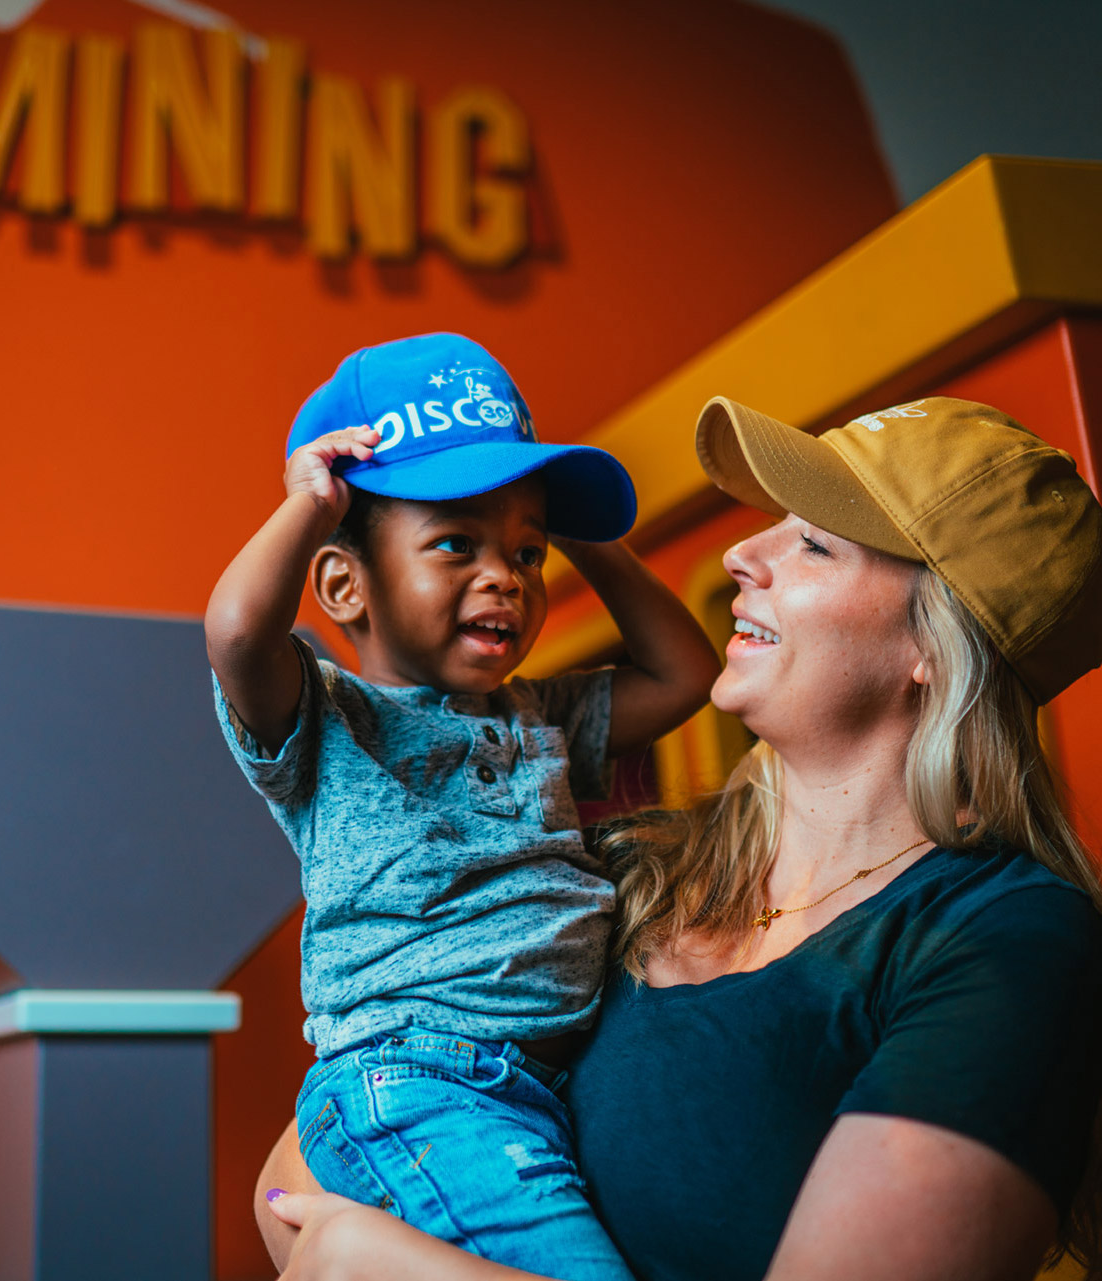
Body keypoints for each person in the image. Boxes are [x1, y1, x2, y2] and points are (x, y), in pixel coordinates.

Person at [255, 393, 1102, 1281]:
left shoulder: (1007, 937)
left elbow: (342, 1250)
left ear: (934, 640)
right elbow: (299, 1176)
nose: (743, 554)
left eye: (813, 542)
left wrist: (386, 1263)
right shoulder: (626, 875)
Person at [204, 332, 720, 1279]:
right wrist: (309, 507)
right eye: (457, 543)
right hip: (420, 1083)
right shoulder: (329, 722)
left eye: (528, 551)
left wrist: (590, 540)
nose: (507, 578)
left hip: (529, 1087)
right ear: (342, 582)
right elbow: (237, 633)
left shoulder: (538, 713)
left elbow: (685, 672)